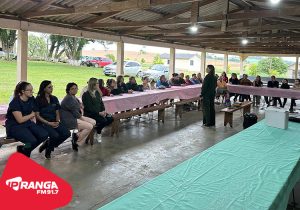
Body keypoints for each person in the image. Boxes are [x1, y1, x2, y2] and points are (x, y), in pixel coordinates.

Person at [5, 81, 48, 157]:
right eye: (30, 90)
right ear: (23, 91)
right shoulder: (15, 102)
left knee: (44, 135)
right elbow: (20, 120)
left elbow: (34, 109)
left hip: (27, 123)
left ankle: (25, 149)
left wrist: (32, 115)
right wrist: (31, 114)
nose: (32, 92)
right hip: (15, 126)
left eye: (32, 90)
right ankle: (25, 153)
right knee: (31, 141)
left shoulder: (31, 99)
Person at [35, 80, 71, 159]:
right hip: (43, 122)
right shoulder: (38, 99)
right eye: (49, 87)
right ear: (44, 88)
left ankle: (49, 145)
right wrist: (48, 123)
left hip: (54, 121)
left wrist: (57, 120)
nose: (52, 88)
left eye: (52, 87)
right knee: (55, 135)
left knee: (67, 133)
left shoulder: (54, 98)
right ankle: (49, 150)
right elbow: (37, 116)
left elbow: (57, 111)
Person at [60, 83, 96, 149]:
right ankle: (77, 142)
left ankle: (77, 135)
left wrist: (80, 106)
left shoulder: (73, 97)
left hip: (75, 117)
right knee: (89, 126)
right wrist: (84, 119)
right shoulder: (69, 98)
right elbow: (75, 113)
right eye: (72, 89)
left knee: (93, 122)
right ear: (68, 90)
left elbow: (79, 105)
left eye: (76, 88)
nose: (75, 90)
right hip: (69, 120)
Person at [82, 78, 114, 142]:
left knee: (111, 118)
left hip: (100, 112)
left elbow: (101, 103)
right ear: (93, 84)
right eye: (97, 83)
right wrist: (99, 113)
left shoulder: (97, 93)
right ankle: (99, 132)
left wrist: (103, 111)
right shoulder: (86, 94)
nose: (98, 84)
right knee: (103, 120)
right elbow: (89, 108)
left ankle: (97, 128)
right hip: (91, 114)